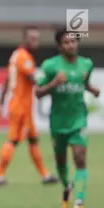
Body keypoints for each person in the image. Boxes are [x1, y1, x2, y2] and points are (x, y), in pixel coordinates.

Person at [35, 27, 100, 208]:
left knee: (79, 156)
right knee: (61, 161)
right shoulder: (50, 66)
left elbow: (83, 82)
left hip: (79, 119)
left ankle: (79, 201)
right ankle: (66, 186)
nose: (71, 45)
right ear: (60, 46)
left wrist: (91, 88)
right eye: (66, 42)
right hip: (58, 122)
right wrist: (54, 83)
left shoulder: (86, 64)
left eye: (73, 41)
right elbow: (38, 92)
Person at [0, 26, 58, 186]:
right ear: (25, 40)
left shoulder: (16, 55)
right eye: (33, 39)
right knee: (13, 140)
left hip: (22, 106)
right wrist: (54, 83)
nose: (36, 42)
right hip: (21, 107)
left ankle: (45, 175)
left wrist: (1, 103)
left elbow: (7, 80)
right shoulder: (24, 57)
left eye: (37, 39)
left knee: (33, 140)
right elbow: (34, 79)